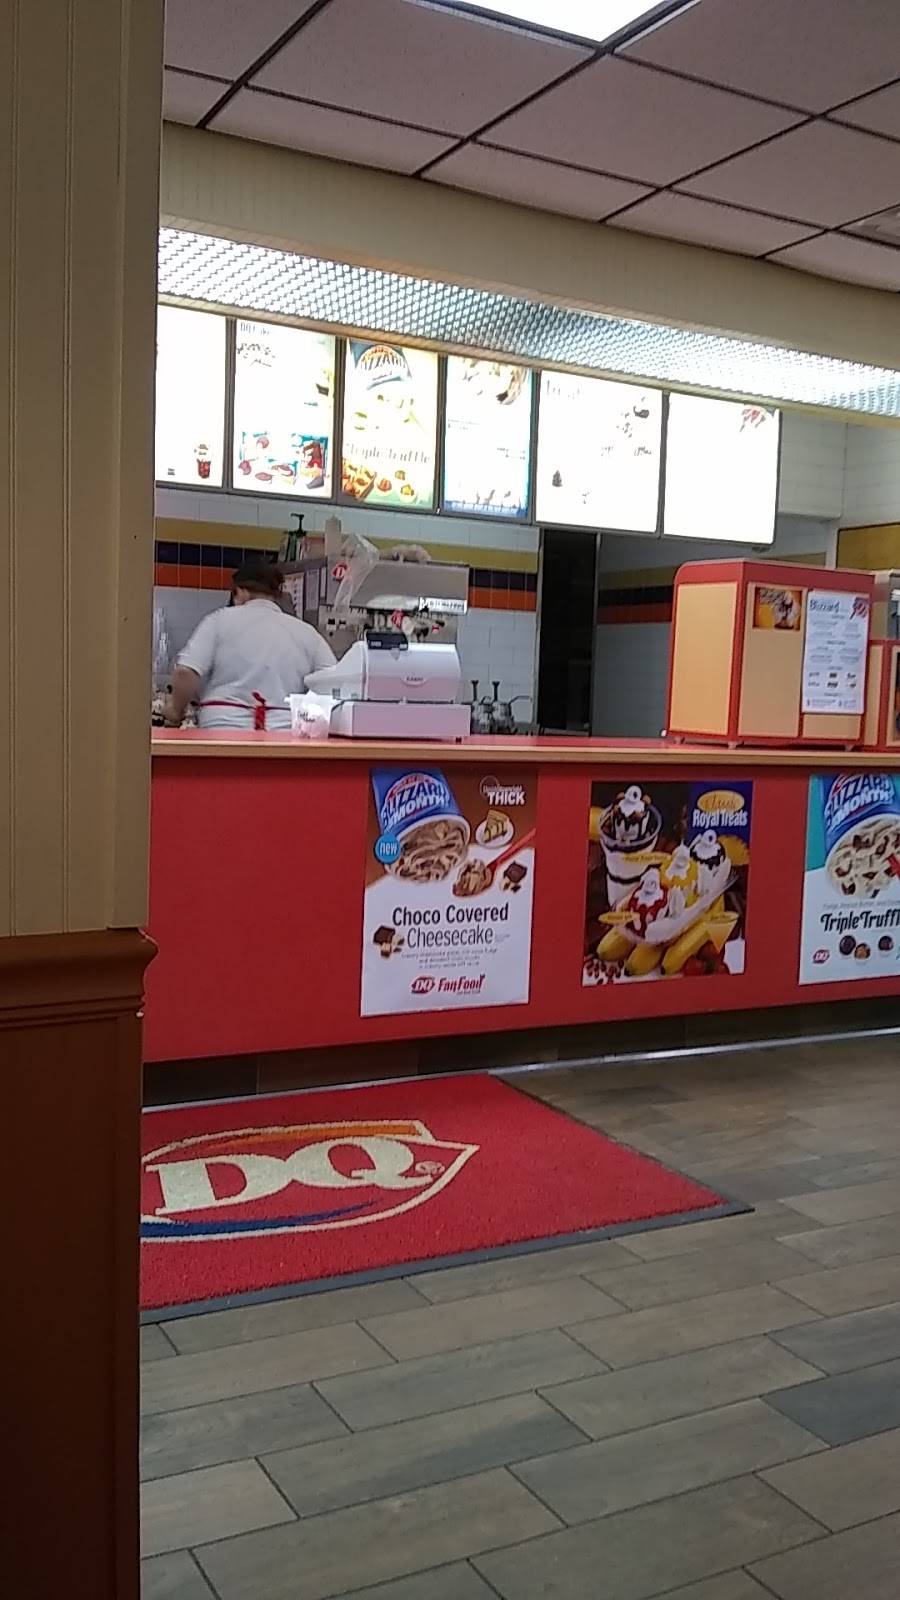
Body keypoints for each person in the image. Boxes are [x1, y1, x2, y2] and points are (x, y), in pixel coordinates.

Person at [164, 561, 335, 730]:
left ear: (241, 591)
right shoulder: (307, 633)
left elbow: (185, 673)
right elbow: (334, 684)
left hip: (222, 730)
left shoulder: (218, 621)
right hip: (284, 735)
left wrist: (175, 711)